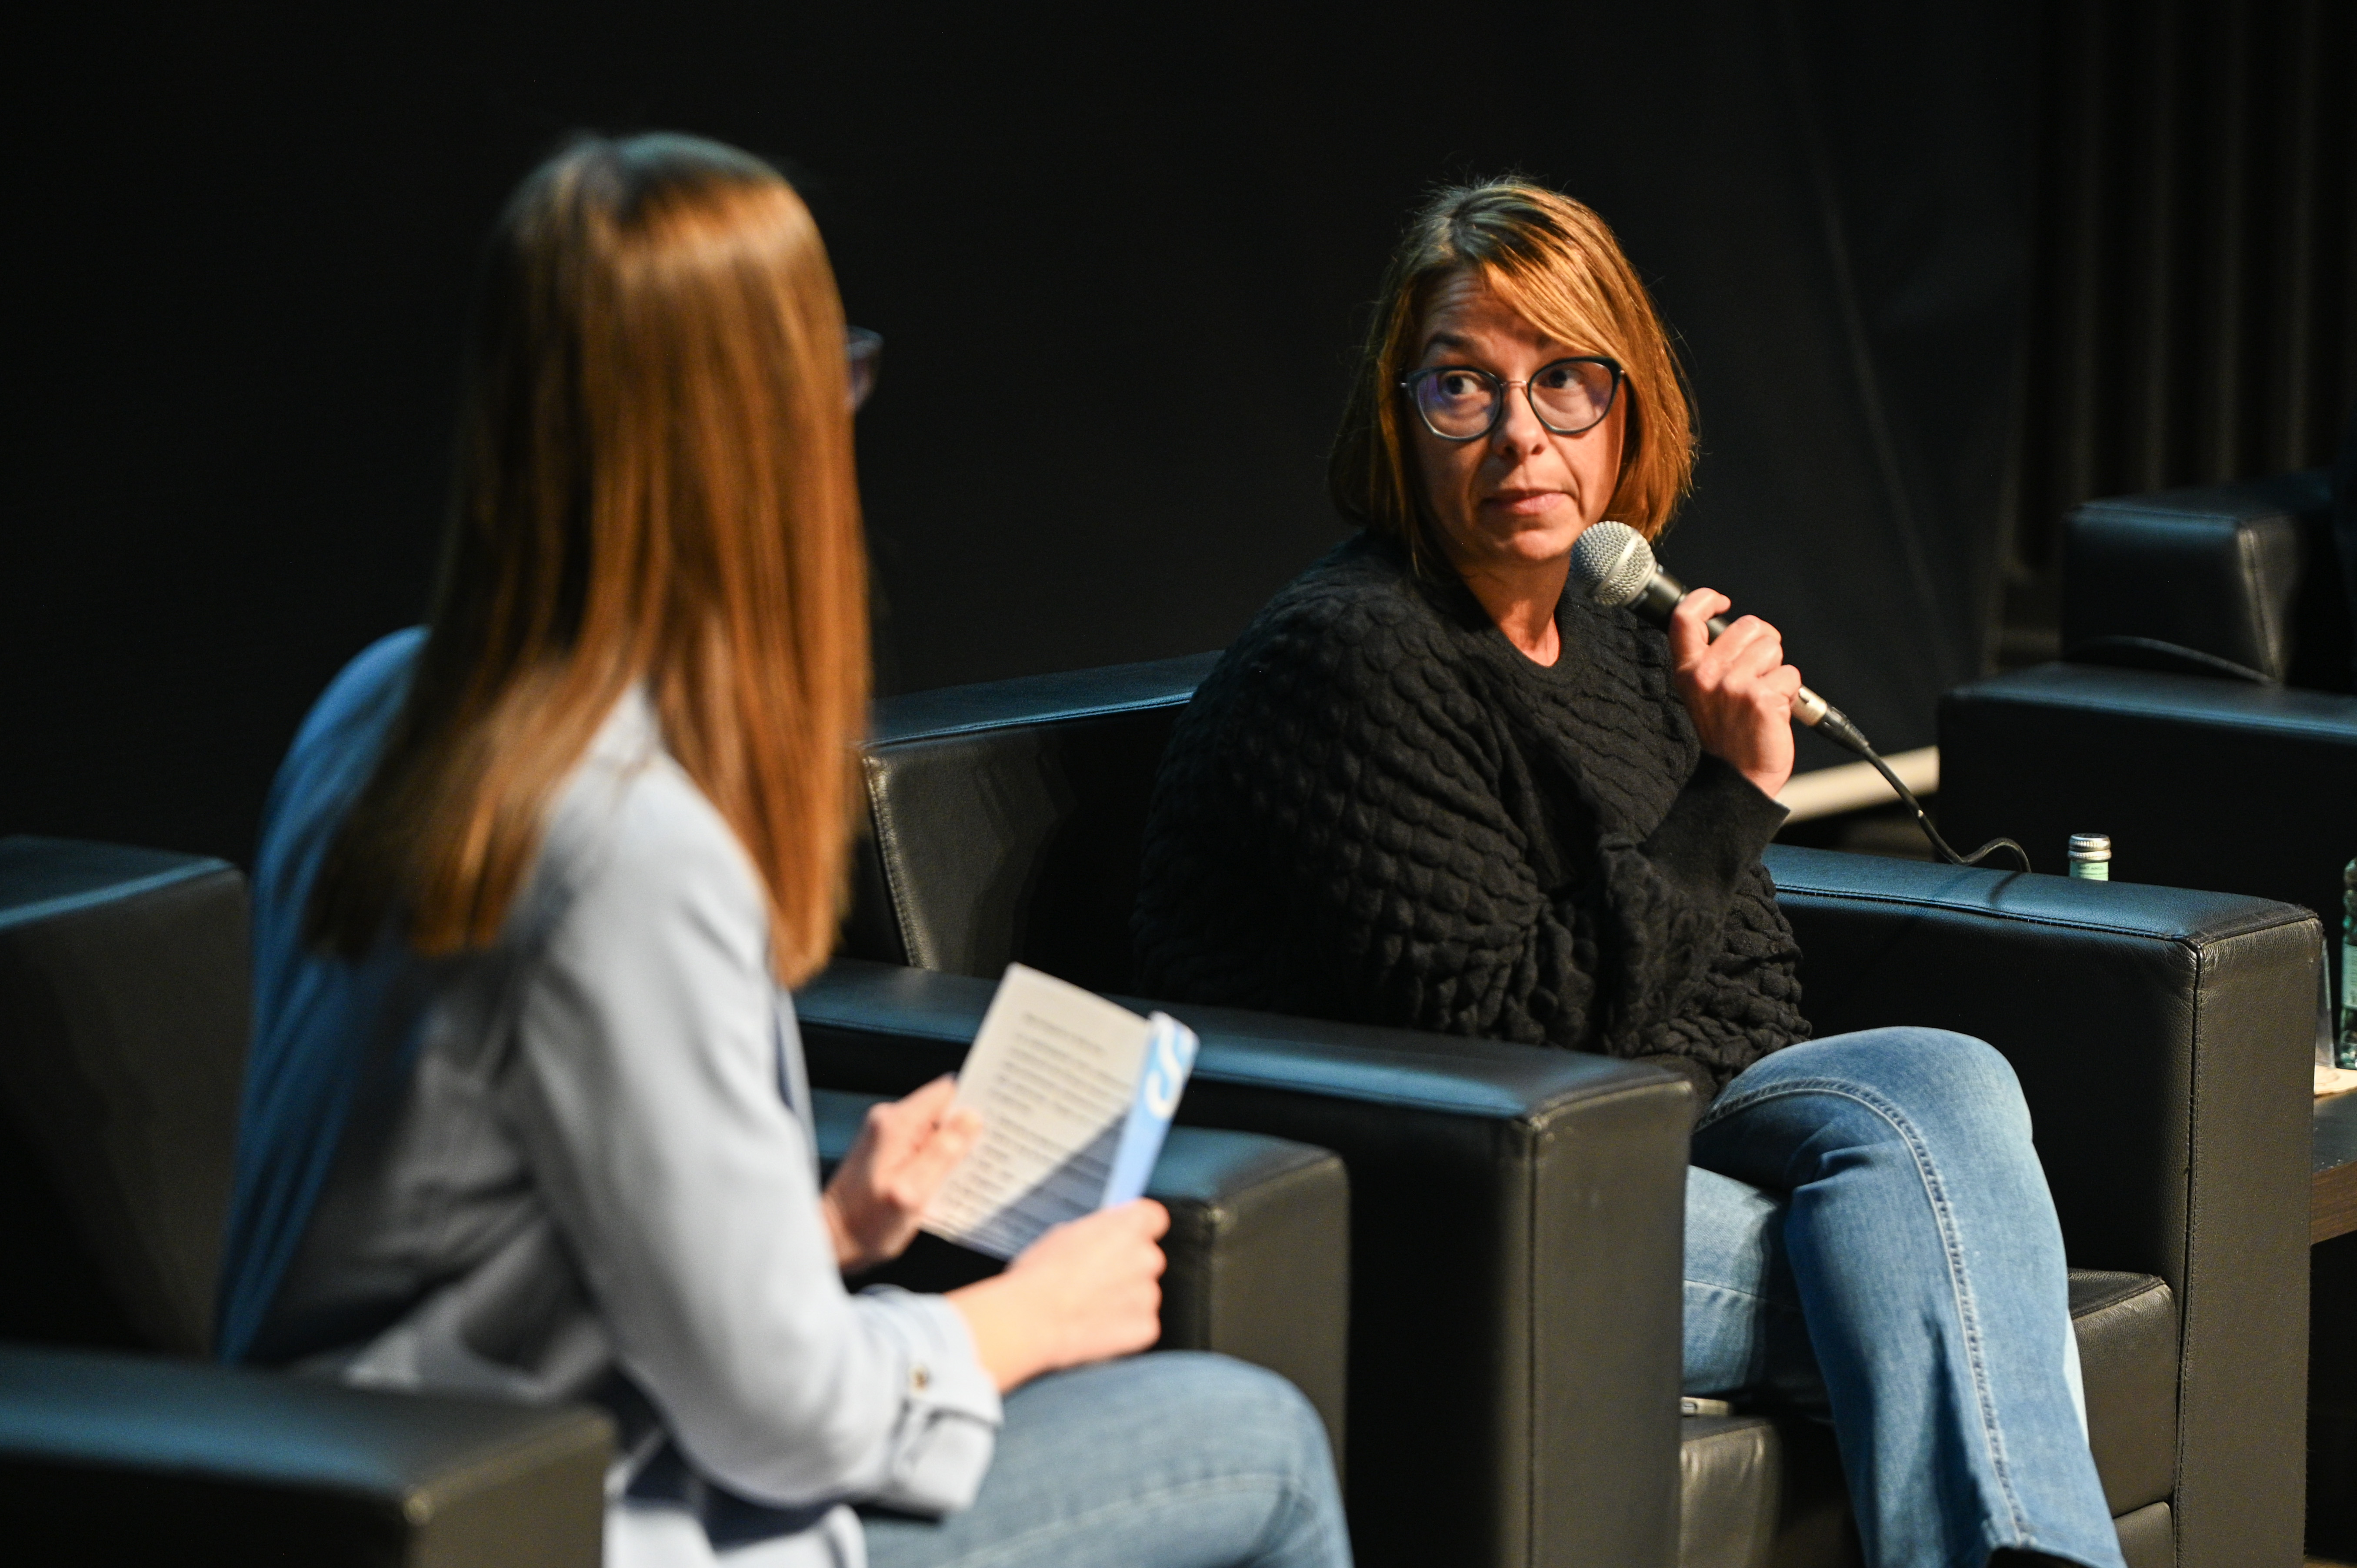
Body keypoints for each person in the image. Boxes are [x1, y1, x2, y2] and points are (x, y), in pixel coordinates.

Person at [217, 133, 1349, 1568]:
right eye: (837, 373)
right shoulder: (628, 845)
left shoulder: (378, 705)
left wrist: (819, 1231)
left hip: (358, 1510)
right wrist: (1017, 1320)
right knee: (1259, 1443)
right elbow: (785, 1424)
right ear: (756, 429)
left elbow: (478, 1264)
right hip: (589, 1532)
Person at [1133, 181, 2121, 1568]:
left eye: (1564, 385)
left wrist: (1676, 996)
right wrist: (1732, 795)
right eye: (1463, 388)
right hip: (1449, 1189)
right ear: (1399, 418)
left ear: (1627, 404)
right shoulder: (1350, 660)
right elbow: (1508, 1035)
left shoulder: (1612, 633)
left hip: (1636, 1127)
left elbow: (1759, 992)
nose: (1521, 435)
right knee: (1957, 1276)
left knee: (1951, 1080)